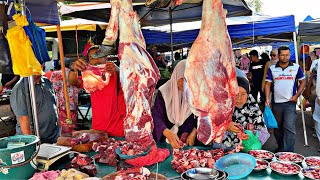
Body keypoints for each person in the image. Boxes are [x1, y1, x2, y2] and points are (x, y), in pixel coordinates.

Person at [69, 45, 126, 137]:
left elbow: (132, 82)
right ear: (89, 62)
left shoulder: (116, 74)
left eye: (99, 56)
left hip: (119, 130)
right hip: (98, 131)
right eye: (92, 58)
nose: (96, 60)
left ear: (106, 58)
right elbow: (73, 81)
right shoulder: (89, 78)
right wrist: (73, 69)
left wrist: (119, 71)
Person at [265, 46, 306, 152]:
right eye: (282, 55)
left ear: (289, 55)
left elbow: (303, 82)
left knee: (289, 127)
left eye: (287, 55)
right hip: (276, 103)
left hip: (290, 103)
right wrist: (267, 99)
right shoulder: (272, 69)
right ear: (278, 56)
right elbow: (267, 84)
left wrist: (296, 96)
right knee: (277, 129)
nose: (285, 57)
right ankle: (281, 148)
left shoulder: (296, 67)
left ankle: (288, 153)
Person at [152, 60, 197, 149]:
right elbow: (156, 116)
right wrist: (166, 132)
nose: (184, 83)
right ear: (176, 75)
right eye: (182, 78)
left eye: (187, 80)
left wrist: (192, 133)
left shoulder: (193, 92)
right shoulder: (164, 91)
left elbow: (198, 115)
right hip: (165, 138)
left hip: (186, 139)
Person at [219, 76, 269, 150]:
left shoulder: (253, 108)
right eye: (236, 94)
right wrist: (224, 126)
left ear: (248, 94)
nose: (239, 98)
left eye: (243, 94)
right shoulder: (220, 107)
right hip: (223, 151)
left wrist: (249, 134)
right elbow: (207, 128)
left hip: (247, 152)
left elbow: (264, 133)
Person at [10, 74, 60, 143]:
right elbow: (23, 118)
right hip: (36, 139)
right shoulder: (20, 88)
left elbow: (55, 106)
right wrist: (32, 142)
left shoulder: (47, 82)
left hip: (52, 136)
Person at [50, 60, 81, 136]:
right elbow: (78, 86)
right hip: (72, 104)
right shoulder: (74, 73)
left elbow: (54, 88)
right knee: (71, 125)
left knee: (64, 127)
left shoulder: (56, 74)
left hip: (61, 104)